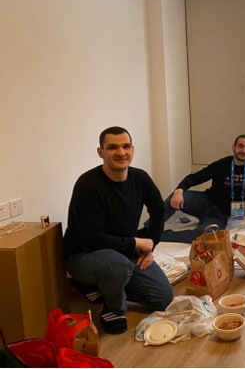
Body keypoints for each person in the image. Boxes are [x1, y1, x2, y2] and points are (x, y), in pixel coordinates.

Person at [63, 126, 173, 334]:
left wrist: (151, 245)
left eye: (126, 146)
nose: (121, 152)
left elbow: (159, 209)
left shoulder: (140, 178)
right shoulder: (88, 185)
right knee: (117, 266)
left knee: (162, 297)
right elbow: (93, 240)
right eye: (112, 147)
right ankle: (113, 309)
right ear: (100, 152)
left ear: (132, 150)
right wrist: (136, 242)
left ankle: (102, 286)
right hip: (84, 255)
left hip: (120, 251)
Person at [160, 134, 245, 243]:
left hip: (220, 214)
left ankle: (160, 235)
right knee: (174, 197)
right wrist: (179, 190)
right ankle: (151, 228)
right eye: (240, 146)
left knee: (205, 237)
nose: (244, 150)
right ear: (233, 147)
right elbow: (195, 178)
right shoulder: (221, 164)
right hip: (205, 201)